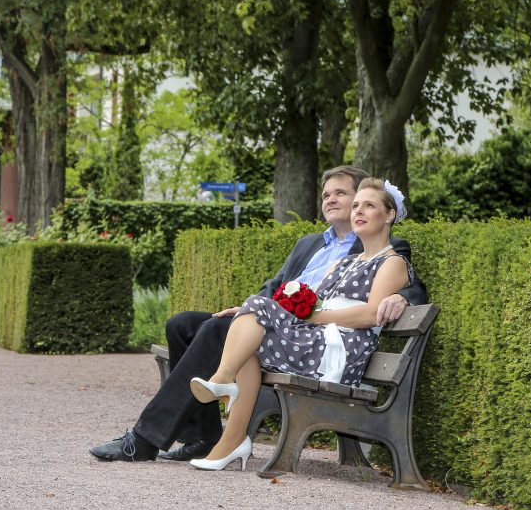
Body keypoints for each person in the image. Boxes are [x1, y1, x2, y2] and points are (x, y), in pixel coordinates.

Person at [89, 167, 428, 463]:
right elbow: (276, 286)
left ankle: (145, 439)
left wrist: (402, 296)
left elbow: (411, 283)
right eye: (326, 194)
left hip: (306, 331)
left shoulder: (375, 245)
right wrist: (249, 308)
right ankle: (202, 437)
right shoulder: (309, 244)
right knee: (181, 324)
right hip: (279, 320)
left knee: (215, 331)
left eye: (342, 193)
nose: (332, 200)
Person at [187, 177, 415, 470]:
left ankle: (222, 381)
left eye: (369, 206)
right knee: (250, 340)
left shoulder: (392, 262)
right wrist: (295, 311)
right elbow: (314, 304)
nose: (359, 211)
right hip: (318, 338)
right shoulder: (344, 262)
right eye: (356, 205)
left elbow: (371, 315)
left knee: (256, 305)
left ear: (389, 215)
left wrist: (314, 317)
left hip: (341, 350)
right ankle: (231, 442)